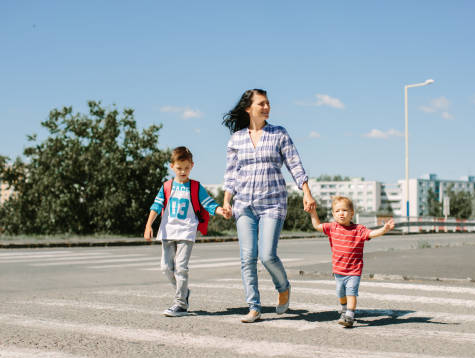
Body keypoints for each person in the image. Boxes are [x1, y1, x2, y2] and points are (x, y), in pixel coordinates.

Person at [222, 89, 316, 323]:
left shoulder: (278, 133)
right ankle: (254, 306)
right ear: (248, 108)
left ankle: (283, 287)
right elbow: (231, 174)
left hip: (273, 203)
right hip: (244, 204)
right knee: (247, 257)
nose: (266, 107)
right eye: (261, 104)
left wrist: (306, 193)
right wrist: (226, 201)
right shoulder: (236, 139)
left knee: (267, 255)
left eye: (268, 104)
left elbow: (295, 164)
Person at [144, 146, 230, 317]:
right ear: (172, 167)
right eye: (179, 168)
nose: (183, 171)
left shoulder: (196, 187)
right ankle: (183, 292)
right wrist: (148, 225)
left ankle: (181, 304)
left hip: (186, 232)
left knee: (181, 267)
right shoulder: (167, 186)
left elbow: (209, 204)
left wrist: (222, 211)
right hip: (168, 232)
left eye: (186, 168)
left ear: (192, 165)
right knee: (166, 268)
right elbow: (156, 205)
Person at [309, 196, 395, 328]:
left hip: (354, 271)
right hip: (338, 270)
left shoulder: (359, 229)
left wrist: (384, 230)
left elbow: (371, 234)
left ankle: (349, 315)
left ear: (352, 213)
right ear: (333, 214)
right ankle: (344, 309)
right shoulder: (332, 228)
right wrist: (313, 212)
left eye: (344, 210)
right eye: (337, 211)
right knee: (340, 293)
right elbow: (317, 225)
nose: (341, 213)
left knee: (351, 293)